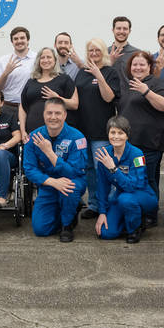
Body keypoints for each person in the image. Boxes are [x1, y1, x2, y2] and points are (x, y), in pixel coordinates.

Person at [118, 51, 164, 227]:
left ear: (150, 67)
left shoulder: (156, 84)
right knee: (132, 179)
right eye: (135, 64)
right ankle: (136, 211)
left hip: (148, 143)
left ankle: (150, 215)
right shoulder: (128, 85)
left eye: (142, 64)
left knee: (147, 180)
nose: (138, 67)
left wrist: (146, 91)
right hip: (130, 144)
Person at [69, 38, 122, 220]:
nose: (93, 54)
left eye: (97, 50)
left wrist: (99, 76)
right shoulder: (82, 73)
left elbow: (108, 98)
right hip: (83, 130)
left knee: (103, 169)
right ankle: (94, 204)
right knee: (89, 169)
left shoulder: (110, 72)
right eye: (90, 50)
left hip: (101, 131)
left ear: (103, 53)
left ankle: (108, 205)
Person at [22, 97, 88, 242]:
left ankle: (67, 225)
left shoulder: (77, 137)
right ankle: (70, 208)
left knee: (69, 188)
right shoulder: (34, 137)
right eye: (49, 113)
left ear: (65, 115)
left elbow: (73, 172)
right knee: (40, 230)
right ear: (43, 114)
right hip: (49, 184)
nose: (53, 117)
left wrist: (50, 153)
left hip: (72, 182)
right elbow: (29, 169)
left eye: (58, 113)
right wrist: (52, 182)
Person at [93, 115, 157, 244]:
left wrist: (113, 169)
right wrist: (102, 212)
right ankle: (128, 219)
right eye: (113, 132)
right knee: (106, 233)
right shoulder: (104, 155)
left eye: (120, 133)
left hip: (142, 194)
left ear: (127, 135)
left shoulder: (137, 154)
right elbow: (102, 186)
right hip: (121, 195)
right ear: (108, 134)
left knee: (126, 199)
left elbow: (132, 186)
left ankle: (135, 229)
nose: (116, 136)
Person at [19, 47, 78, 138]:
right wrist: (23, 131)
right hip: (32, 131)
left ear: (55, 60)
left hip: (58, 134)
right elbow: (22, 107)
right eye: (42, 57)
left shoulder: (64, 79)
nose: (45, 60)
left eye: (49, 57)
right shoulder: (31, 81)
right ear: (38, 61)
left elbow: (75, 104)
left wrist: (57, 98)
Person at [0, 26, 36, 114]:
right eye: (16, 39)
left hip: (30, 106)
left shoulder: (37, 58)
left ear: (28, 40)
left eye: (22, 38)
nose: (19, 41)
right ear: (12, 42)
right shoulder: (4, 60)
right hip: (8, 107)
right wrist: (6, 73)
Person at [108, 16, 140, 81]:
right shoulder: (104, 52)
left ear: (129, 31)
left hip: (130, 91)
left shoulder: (137, 53)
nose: (122, 31)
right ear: (113, 30)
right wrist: (109, 62)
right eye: (118, 28)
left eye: (125, 29)